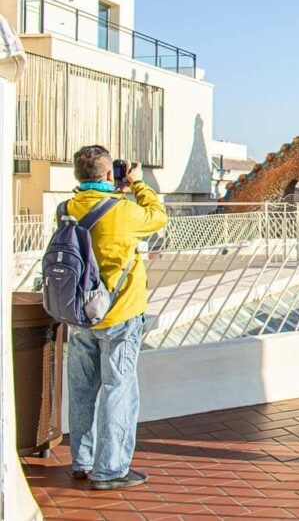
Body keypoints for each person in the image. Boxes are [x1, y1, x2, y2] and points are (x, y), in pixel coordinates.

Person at [65, 146, 167, 490]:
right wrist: (137, 184)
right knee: (118, 389)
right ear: (110, 174)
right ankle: (110, 469)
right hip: (119, 313)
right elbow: (158, 215)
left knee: (81, 390)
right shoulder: (124, 211)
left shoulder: (66, 209)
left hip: (79, 313)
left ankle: (81, 459)